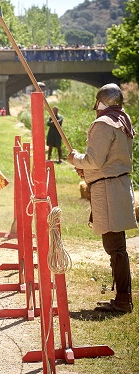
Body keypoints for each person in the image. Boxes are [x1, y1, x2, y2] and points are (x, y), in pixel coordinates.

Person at [68, 83, 137, 313]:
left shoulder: (103, 123)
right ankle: (122, 297)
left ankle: (123, 299)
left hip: (108, 189)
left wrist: (76, 159)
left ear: (101, 102)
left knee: (115, 246)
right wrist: (87, 170)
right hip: (117, 184)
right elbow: (107, 161)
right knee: (117, 245)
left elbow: (94, 160)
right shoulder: (123, 120)